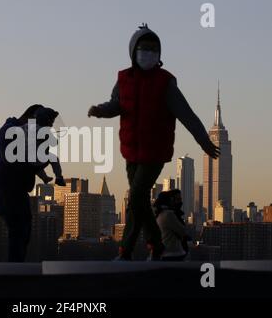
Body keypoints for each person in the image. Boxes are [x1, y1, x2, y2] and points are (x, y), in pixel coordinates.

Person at [88, 24, 220, 260]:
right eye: (144, 48)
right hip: (130, 151)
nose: (148, 53)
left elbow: (186, 114)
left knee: (136, 197)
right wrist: (100, 111)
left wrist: (203, 141)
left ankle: (151, 245)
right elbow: (116, 104)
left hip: (154, 152)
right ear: (133, 51)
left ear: (159, 55)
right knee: (136, 202)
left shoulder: (165, 83)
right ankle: (126, 252)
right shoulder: (124, 79)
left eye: (153, 49)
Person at [0, 104, 45, 262]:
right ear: (31, 119)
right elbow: (13, 160)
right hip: (8, 190)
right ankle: (15, 269)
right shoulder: (11, 132)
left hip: (14, 190)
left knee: (22, 229)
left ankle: (16, 266)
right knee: (18, 229)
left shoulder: (18, 133)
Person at [23, 107, 66, 186]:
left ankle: (44, 177)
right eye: (51, 121)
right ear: (45, 119)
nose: (52, 123)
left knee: (36, 163)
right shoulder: (42, 130)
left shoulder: (28, 126)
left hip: (25, 159)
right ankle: (59, 178)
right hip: (34, 159)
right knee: (53, 158)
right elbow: (54, 143)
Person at [154, 190, 188, 261]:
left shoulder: (159, 214)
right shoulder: (168, 214)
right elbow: (183, 231)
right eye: (174, 199)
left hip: (165, 253)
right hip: (173, 254)